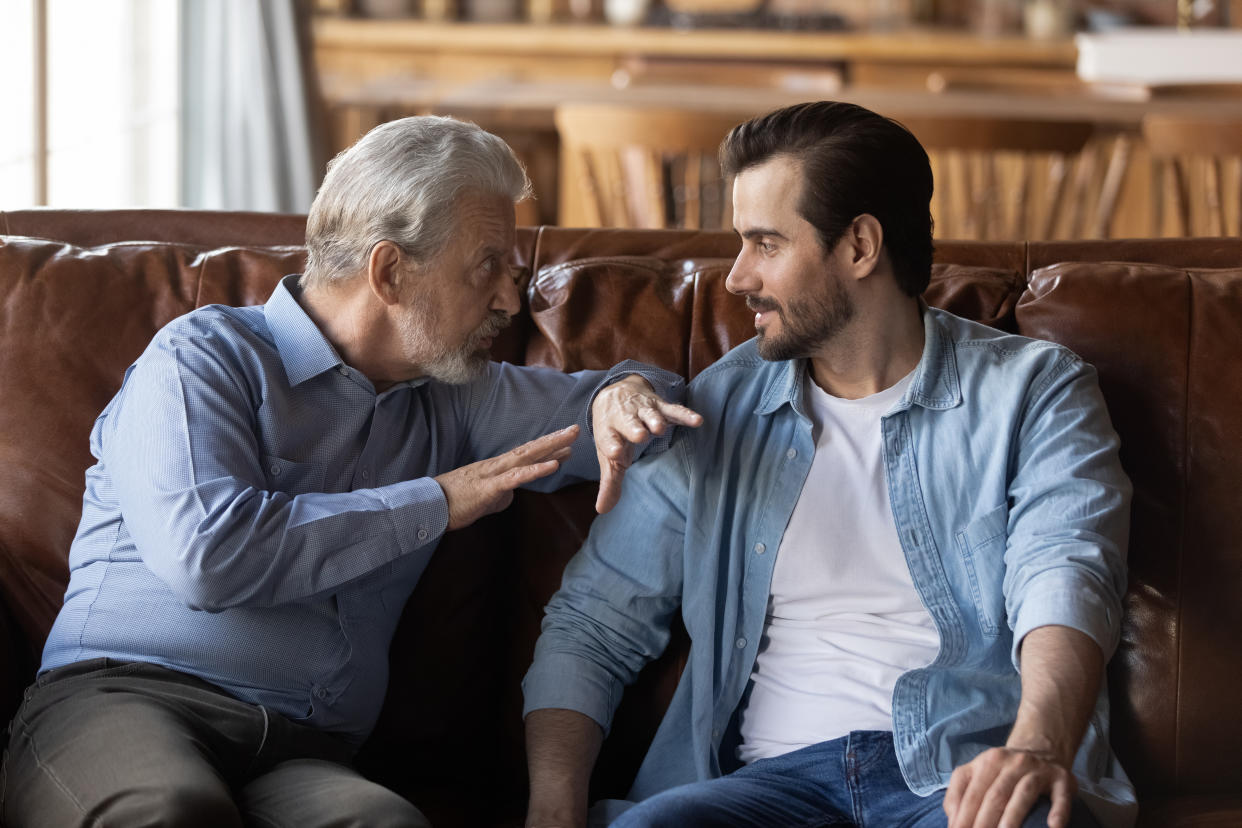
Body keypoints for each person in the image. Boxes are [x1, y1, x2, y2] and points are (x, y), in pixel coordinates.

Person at [0, 116, 701, 828]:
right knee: (169, 813)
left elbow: (659, 406)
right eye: (486, 266)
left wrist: (625, 395)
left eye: (515, 273)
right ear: (390, 271)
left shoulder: (456, 397)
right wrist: (434, 502)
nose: (509, 302)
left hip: (302, 753)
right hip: (124, 700)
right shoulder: (201, 359)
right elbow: (208, 556)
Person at [522, 101, 1136, 828]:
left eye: (766, 244)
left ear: (859, 247)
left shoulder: (1034, 390)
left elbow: (1065, 572)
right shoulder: (717, 409)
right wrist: (553, 812)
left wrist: (1036, 747)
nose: (738, 277)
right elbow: (593, 623)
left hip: (956, 782)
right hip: (759, 788)